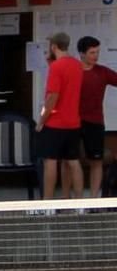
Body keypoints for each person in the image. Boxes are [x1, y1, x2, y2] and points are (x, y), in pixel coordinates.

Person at [37, 31, 84, 200]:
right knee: (73, 161)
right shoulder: (77, 65)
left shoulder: (56, 67)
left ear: (53, 46)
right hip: (73, 122)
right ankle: (79, 204)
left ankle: (48, 203)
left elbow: (52, 97)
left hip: (55, 122)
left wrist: (42, 120)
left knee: (50, 161)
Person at [77, 36, 116, 197]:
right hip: (74, 122)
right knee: (70, 161)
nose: (95, 56)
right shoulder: (73, 71)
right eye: (92, 52)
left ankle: (94, 199)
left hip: (95, 122)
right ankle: (73, 200)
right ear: (82, 54)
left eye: (97, 52)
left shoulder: (102, 72)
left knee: (96, 161)